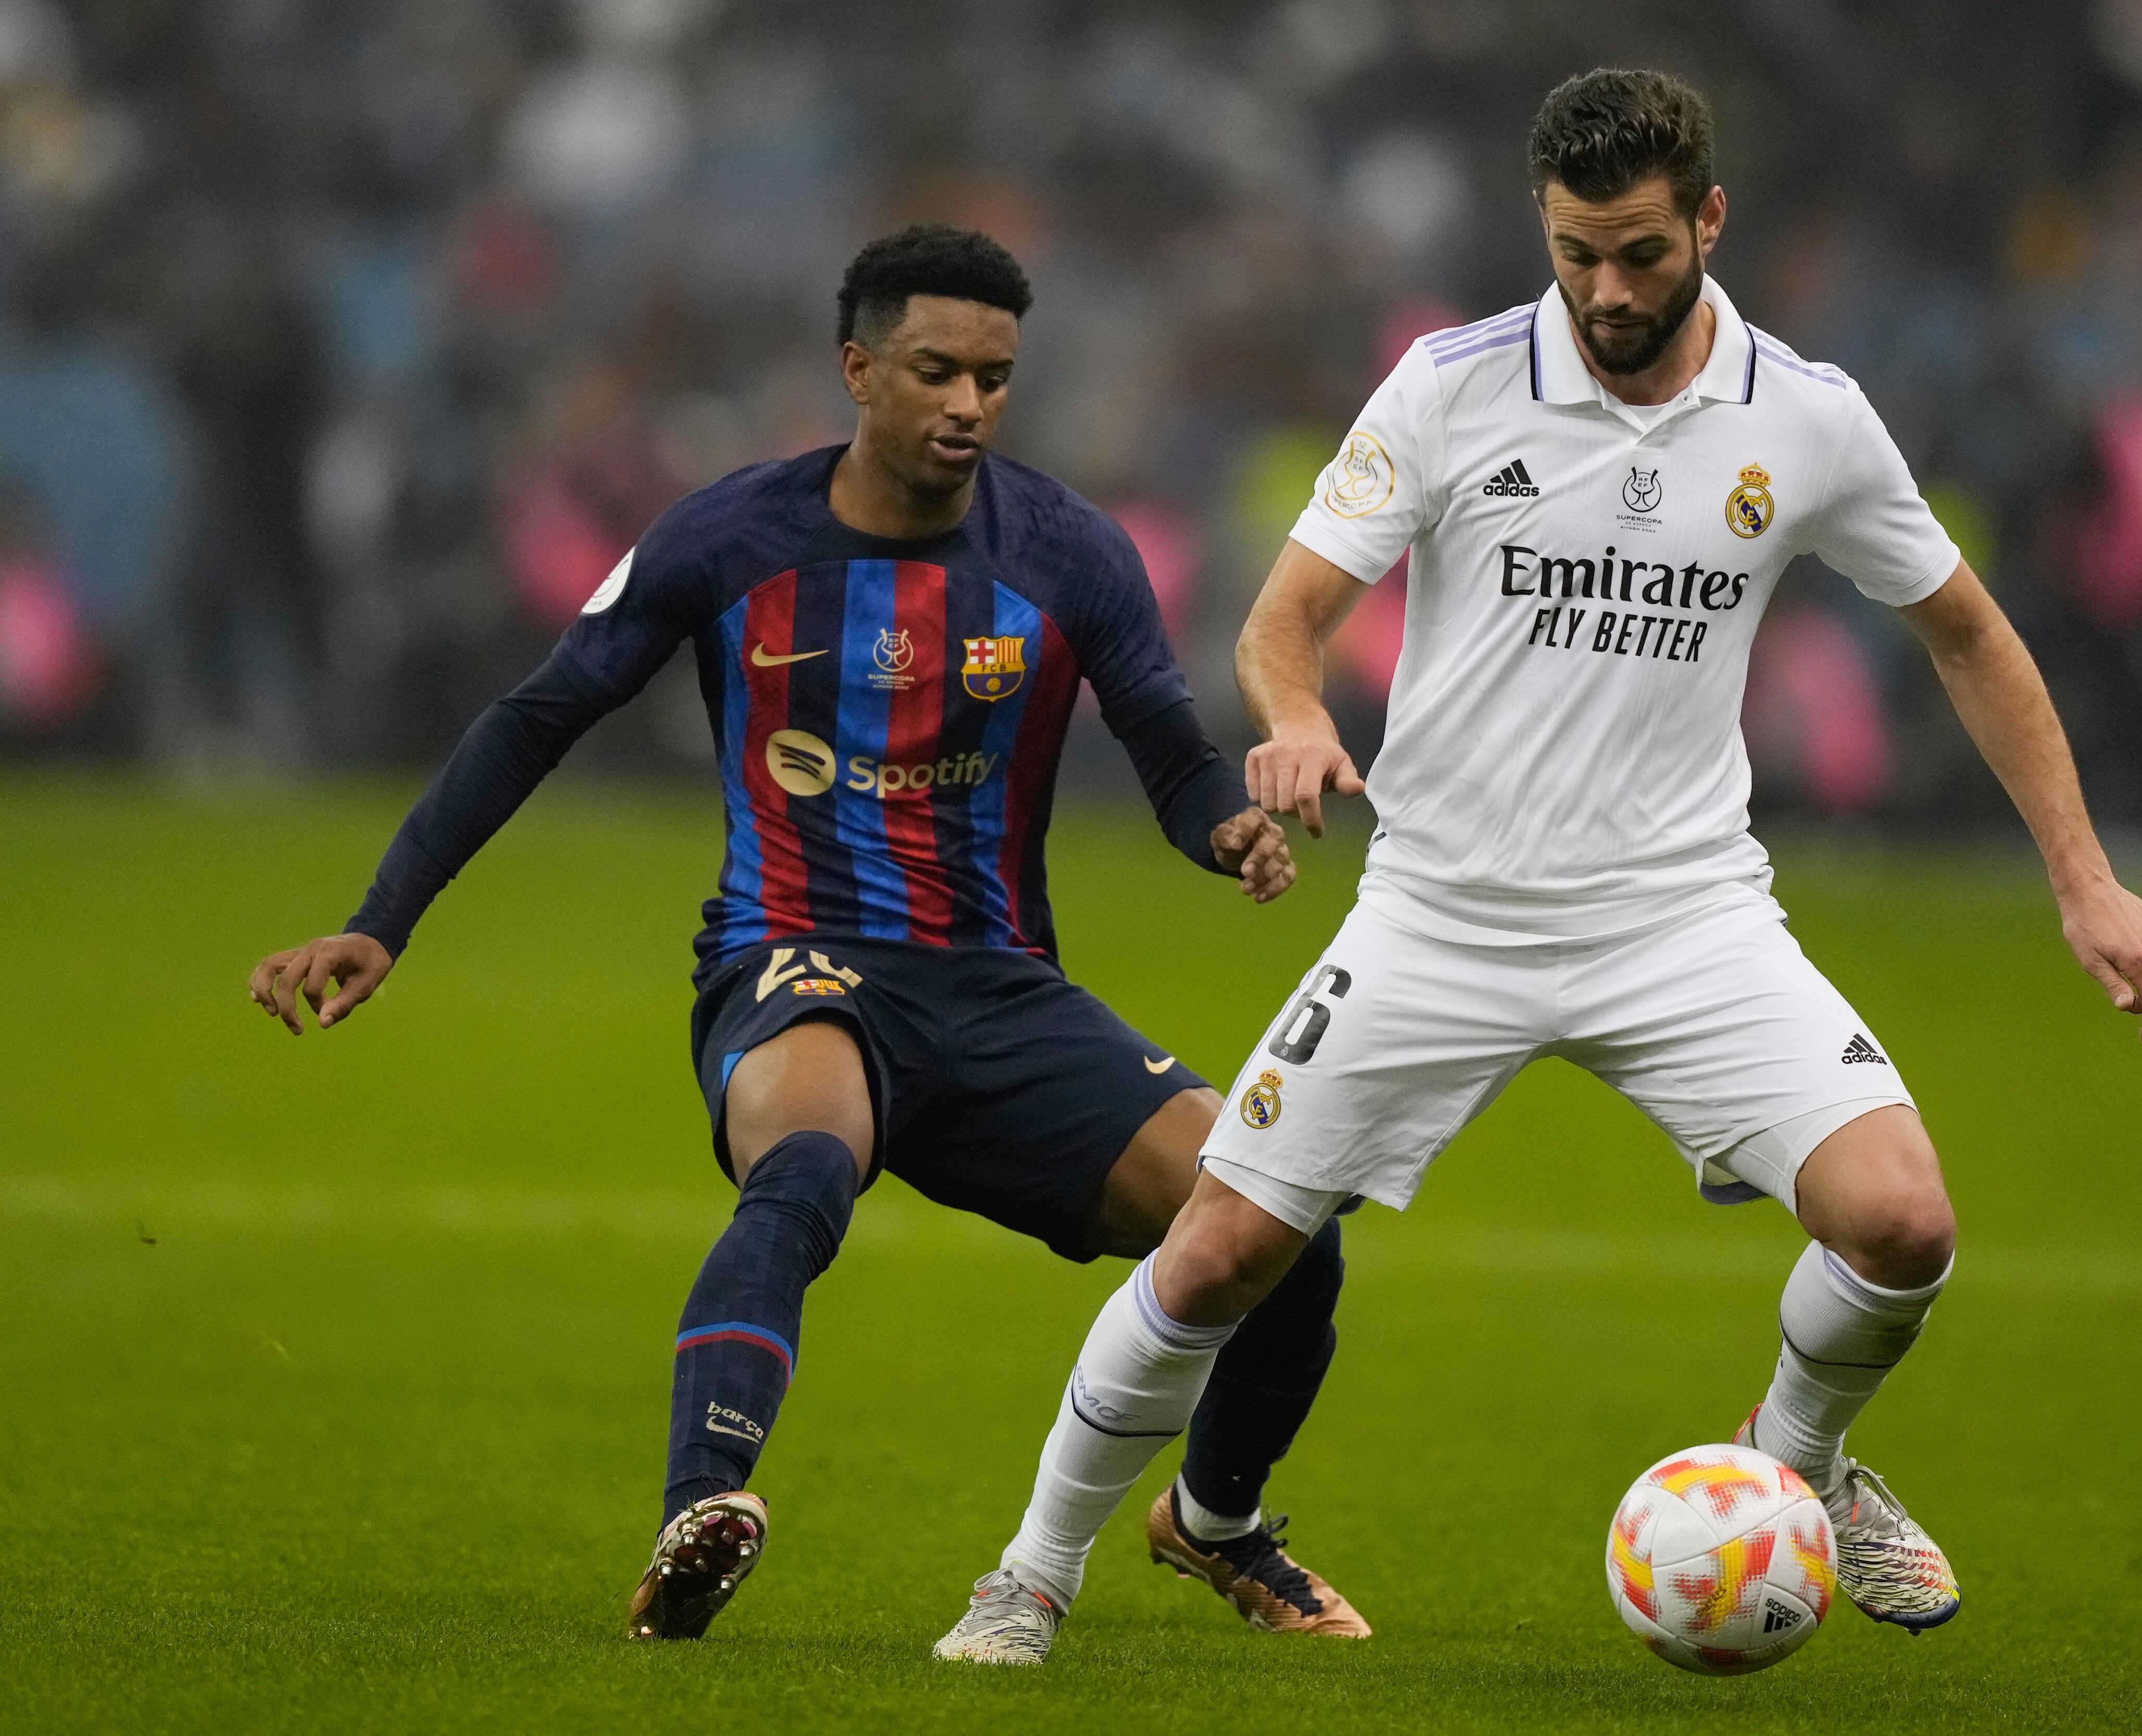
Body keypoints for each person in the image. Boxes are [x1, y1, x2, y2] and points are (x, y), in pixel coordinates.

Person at [934, 70, 2142, 1664]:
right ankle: (1033, 1571)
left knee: (1902, 1224)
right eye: (1579, 251)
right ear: (1544, 224)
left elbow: (1968, 635)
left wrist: (2084, 878)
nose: (1607, 290)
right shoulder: (1451, 387)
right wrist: (1298, 721)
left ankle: (1793, 1469)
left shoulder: (1808, 416)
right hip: (1445, 912)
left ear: (1710, 221)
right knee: (1224, 1250)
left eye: (1644, 254)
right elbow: (1280, 616)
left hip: (1684, 918)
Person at [248, 226, 1370, 1647]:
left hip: (999, 988)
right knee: (803, 1165)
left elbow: (1170, 755)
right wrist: (379, 922)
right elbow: (538, 717)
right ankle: (700, 1512)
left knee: (1283, 1229)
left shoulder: (1066, 550)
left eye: (996, 377)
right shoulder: (728, 539)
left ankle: (1216, 1525)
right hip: (795, 963)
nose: (968, 402)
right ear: (858, 369)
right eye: (936, 369)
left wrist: (1229, 828)